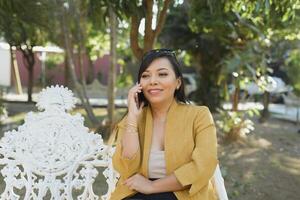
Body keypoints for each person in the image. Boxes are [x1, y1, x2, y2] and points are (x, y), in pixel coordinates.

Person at [110, 49, 218, 200]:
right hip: (137, 195)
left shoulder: (199, 115)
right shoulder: (132, 120)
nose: (153, 81)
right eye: (146, 76)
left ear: (178, 83)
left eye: (162, 74)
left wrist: (152, 186)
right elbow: (127, 169)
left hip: (184, 194)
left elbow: (204, 165)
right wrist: (133, 118)